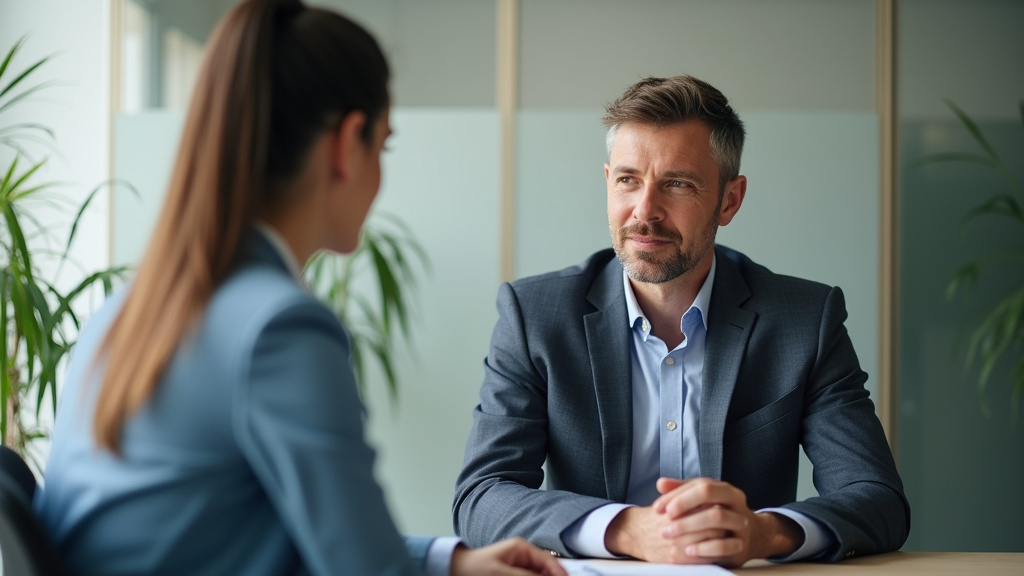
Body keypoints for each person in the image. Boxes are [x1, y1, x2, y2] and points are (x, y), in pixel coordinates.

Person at [34, 2, 567, 575]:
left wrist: (451, 562)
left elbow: (265, 536)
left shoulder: (125, 311)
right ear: (347, 142)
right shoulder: (277, 328)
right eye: (382, 146)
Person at [453, 75, 910, 568]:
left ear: (729, 201)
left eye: (677, 184)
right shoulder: (536, 317)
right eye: (628, 179)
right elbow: (481, 496)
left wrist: (763, 532)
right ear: (608, 182)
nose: (644, 211)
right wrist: (625, 529)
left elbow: (877, 498)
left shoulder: (804, 321)